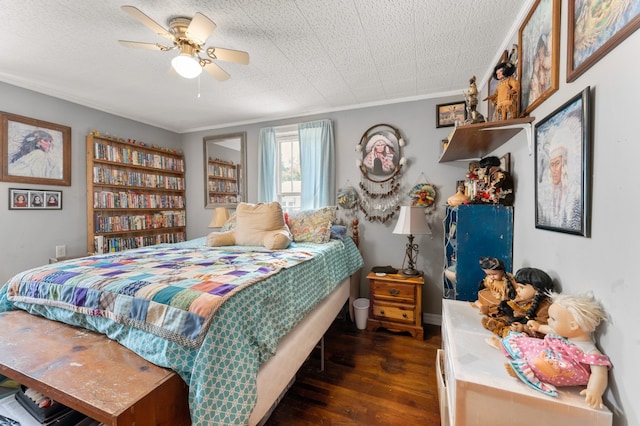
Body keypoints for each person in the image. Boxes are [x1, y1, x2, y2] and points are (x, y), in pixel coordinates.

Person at [499, 292, 611, 408]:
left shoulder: (590, 352)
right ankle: (511, 347)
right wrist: (539, 327)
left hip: (563, 366)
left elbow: (599, 373)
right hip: (552, 350)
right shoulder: (568, 333)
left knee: (546, 365)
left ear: (573, 326)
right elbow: (554, 330)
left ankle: (524, 371)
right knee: (532, 343)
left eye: (553, 319)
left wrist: (594, 391)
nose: (548, 321)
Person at [481, 267, 554, 337]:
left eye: (521, 287)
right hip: (516, 319)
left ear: (536, 290)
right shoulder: (524, 298)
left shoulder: (544, 307)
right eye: (518, 286)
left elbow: (541, 327)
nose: (517, 290)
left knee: (511, 331)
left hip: (525, 328)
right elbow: (511, 305)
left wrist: (523, 328)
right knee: (498, 319)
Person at [537, 117, 582, 230]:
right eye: (551, 164)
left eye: (557, 163)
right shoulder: (547, 194)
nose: (553, 170)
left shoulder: (574, 193)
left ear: (565, 164)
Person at [529, 35, 552, 105]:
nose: (539, 50)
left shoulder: (547, 59)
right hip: (537, 89)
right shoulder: (538, 61)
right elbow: (539, 80)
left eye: (541, 47)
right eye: (539, 48)